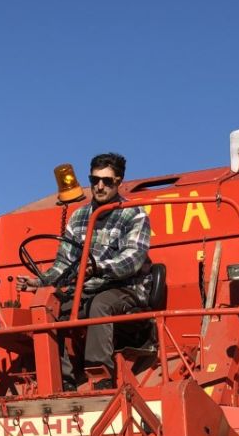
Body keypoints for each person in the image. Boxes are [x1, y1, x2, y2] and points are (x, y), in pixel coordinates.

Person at [21, 152, 152, 390]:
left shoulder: (134, 214)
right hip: (87, 288)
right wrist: (40, 282)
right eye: (94, 180)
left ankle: (100, 377)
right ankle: (63, 381)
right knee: (53, 309)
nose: (100, 186)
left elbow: (132, 260)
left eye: (107, 181)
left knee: (99, 305)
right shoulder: (79, 216)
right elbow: (64, 262)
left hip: (126, 288)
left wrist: (99, 268)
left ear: (119, 181)